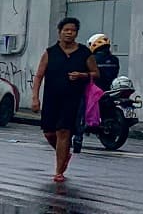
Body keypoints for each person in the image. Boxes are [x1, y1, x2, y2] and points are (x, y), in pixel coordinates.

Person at [32, 16, 98, 183]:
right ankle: (64, 153)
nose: (69, 33)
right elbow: (39, 76)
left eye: (73, 30)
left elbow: (96, 73)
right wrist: (35, 98)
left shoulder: (84, 53)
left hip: (73, 99)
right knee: (49, 133)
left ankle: (59, 171)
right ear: (60, 32)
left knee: (64, 132)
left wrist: (82, 74)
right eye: (66, 30)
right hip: (51, 99)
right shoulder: (50, 52)